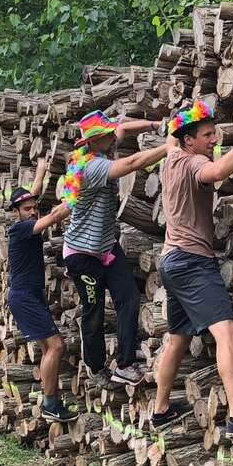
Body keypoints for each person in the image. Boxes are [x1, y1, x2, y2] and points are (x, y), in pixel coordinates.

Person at [152, 100, 233, 439]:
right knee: (228, 333)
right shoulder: (194, 162)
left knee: (178, 338)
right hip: (192, 262)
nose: (214, 140)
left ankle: (160, 410)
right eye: (207, 135)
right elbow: (217, 172)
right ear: (189, 140)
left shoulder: (171, 155)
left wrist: (180, 112)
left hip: (170, 261)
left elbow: (169, 135)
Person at [62, 110, 169, 388]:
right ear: (94, 141)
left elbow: (122, 128)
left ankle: (125, 364)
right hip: (82, 255)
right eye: (107, 134)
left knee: (129, 298)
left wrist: (155, 124)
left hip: (107, 247)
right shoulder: (90, 167)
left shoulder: (104, 145)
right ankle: (96, 368)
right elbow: (132, 162)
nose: (113, 136)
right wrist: (169, 146)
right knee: (94, 310)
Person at [7, 158, 75, 422]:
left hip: (31, 295)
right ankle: (50, 404)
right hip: (23, 297)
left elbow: (33, 192)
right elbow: (54, 217)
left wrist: (42, 168)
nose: (33, 211)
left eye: (34, 208)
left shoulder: (27, 213)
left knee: (50, 348)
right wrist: (76, 194)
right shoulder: (20, 229)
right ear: (17, 211)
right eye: (27, 209)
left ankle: (52, 403)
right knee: (55, 346)